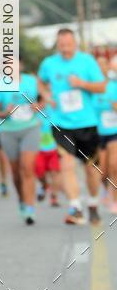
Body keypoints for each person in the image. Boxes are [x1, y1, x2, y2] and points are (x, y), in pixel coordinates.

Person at [38, 29, 106, 226]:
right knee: (66, 164)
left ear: (75, 43)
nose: (65, 47)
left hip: (87, 123)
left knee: (92, 169)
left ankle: (92, 204)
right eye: (61, 44)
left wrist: (81, 83)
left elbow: (101, 86)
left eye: (68, 43)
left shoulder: (87, 61)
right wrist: (46, 96)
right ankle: (75, 208)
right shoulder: (49, 63)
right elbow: (41, 82)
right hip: (61, 123)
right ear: (57, 44)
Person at [0, 61, 41, 225]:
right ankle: (22, 199)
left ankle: (30, 207)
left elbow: (43, 99)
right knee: (15, 172)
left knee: (27, 167)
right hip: (9, 131)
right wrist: (5, 112)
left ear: (21, 64)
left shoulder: (32, 81)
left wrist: (38, 106)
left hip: (31, 128)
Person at [95, 55, 117, 213]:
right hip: (97, 133)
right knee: (103, 172)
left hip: (114, 132)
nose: (101, 68)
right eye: (98, 65)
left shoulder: (114, 86)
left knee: (114, 166)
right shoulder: (91, 88)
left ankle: (115, 200)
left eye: (103, 65)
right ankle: (105, 189)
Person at [34, 113, 61, 208]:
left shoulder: (53, 110)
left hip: (53, 149)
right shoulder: (32, 113)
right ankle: (44, 185)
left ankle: (54, 197)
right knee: (40, 173)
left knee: (54, 173)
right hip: (39, 150)